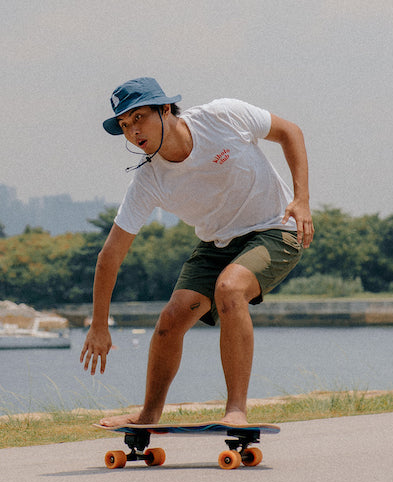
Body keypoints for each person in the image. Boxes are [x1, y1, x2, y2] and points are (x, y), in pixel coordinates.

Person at [80, 77, 313, 427]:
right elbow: (109, 256)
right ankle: (148, 415)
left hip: (276, 229)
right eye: (125, 125)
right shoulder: (149, 180)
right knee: (171, 319)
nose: (132, 131)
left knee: (230, 288)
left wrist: (302, 200)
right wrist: (99, 325)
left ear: (164, 109)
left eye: (138, 117)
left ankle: (236, 410)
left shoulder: (223, 117)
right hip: (216, 243)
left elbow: (290, 132)